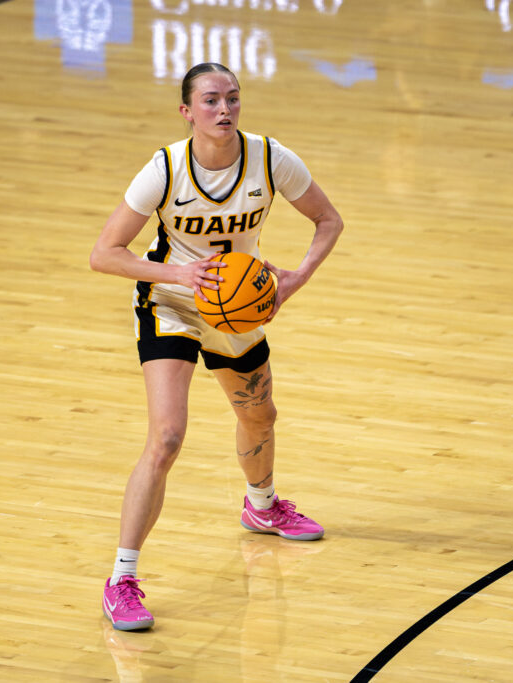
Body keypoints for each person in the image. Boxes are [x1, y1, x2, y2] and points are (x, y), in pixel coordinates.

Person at [90, 62, 343, 631]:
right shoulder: (164, 169)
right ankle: (121, 579)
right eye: (210, 100)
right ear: (187, 112)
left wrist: (296, 278)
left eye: (232, 98)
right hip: (172, 303)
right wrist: (179, 275)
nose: (224, 109)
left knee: (260, 416)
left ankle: (262, 507)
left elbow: (329, 221)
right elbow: (104, 254)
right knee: (167, 437)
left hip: (238, 303)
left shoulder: (271, 158)